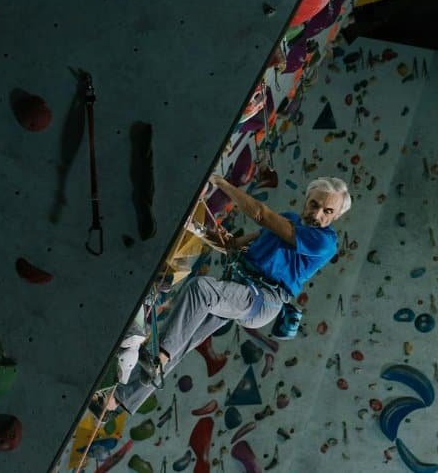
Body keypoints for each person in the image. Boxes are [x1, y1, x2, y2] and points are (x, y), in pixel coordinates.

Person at [93, 175, 352, 417]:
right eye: (314, 204)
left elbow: (261, 215)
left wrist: (220, 182)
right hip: (238, 287)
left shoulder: (325, 241)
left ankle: (159, 359)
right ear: (306, 199)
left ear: (337, 215)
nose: (317, 214)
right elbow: (239, 244)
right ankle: (117, 402)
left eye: (327, 211)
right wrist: (216, 236)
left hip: (263, 298)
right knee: (182, 340)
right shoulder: (289, 219)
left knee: (200, 289)